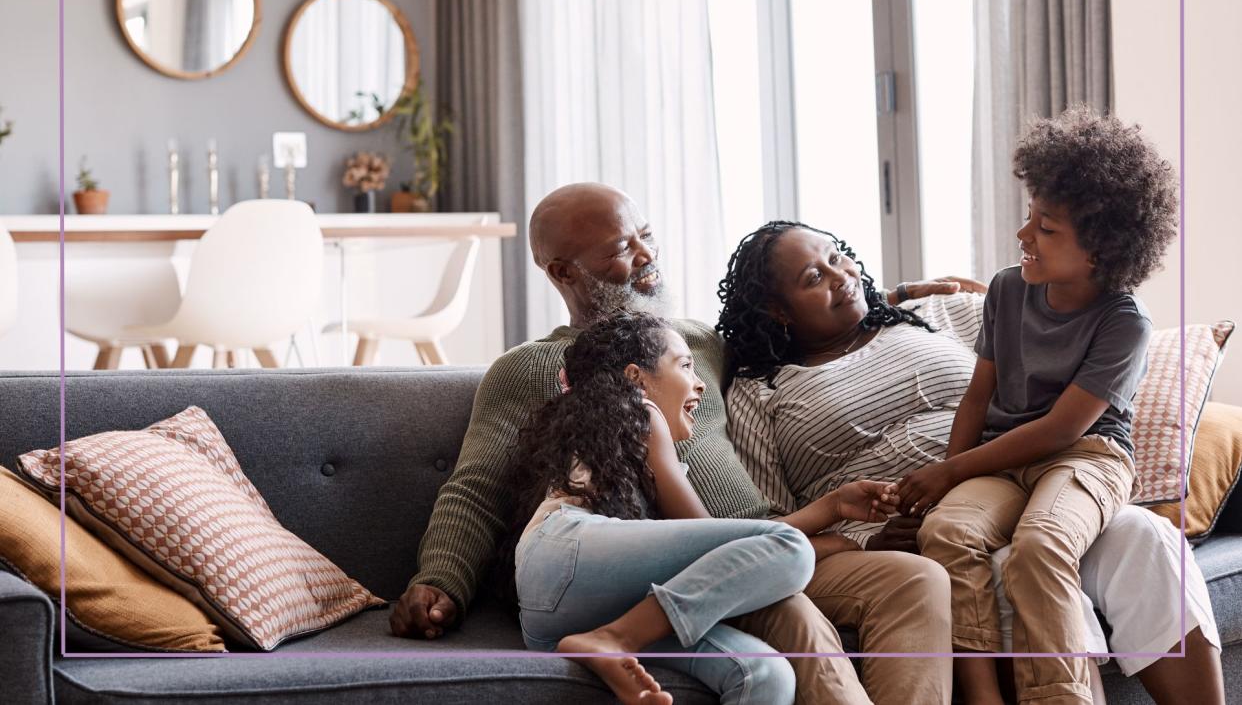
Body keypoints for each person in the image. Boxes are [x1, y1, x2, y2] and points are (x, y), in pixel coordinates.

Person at [392, 182, 965, 705]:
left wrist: (894, 292)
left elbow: (780, 315)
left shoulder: (696, 342)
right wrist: (440, 579)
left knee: (915, 579)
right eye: (622, 248)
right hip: (656, 568)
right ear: (564, 272)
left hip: (759, 541)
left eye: (647, 237)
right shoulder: (527, 368)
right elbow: (474, 491)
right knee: (787, 604)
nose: (646, 257)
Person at [716, 207, 1222, 705]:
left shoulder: (935, 314)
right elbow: (775, 528)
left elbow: (1045, 310)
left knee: (1147, 536)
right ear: (778, 311)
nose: (840, 276)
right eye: (813, 277)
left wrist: (906, 292)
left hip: (1029, 482)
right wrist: (863, 541)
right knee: (1019, 575)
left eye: (838, 257)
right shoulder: (760, 390)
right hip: (930, 530)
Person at [896, 107, 1177, 704]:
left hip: (1086, 456)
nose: (1024, 235)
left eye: (1045, 229)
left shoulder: (1125, 321)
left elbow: (1061, 428)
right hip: (1001, 462)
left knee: (1039, 547)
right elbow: (979, 396)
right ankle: (984, 695)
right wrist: (951, 482)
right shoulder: (1006, 288)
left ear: (1100, 251)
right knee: (947, 532)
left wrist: (950, 470)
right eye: (1029, 218)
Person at [509, 311, 900, 704]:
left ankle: (612, 636)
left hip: (557, 619)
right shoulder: (643, 413)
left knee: (763, 672)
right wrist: (832, 526)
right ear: (635, 378)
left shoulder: (616, 447)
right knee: (790, 548)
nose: (699, 385)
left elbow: (724, 562)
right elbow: (717, 539)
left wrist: (834, 511)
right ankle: (615, 639)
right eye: (684, 366)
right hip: (564, 551)